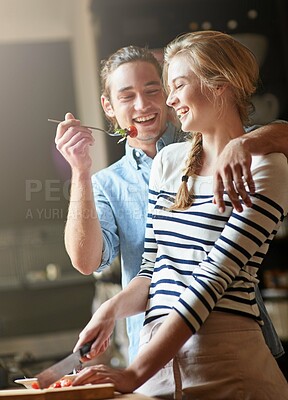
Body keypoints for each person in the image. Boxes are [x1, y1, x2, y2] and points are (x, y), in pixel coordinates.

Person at [70, 31, 288, 399]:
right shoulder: (169, 162)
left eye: (173, 86)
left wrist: (133, 373)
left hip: (225, 361)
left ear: (219, 85)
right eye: (127, 95)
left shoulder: (265, 165)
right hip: (156, 363)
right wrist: (109, 311)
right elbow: (150, 269)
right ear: (109, 107)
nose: (169, 100)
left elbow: (211, 280)